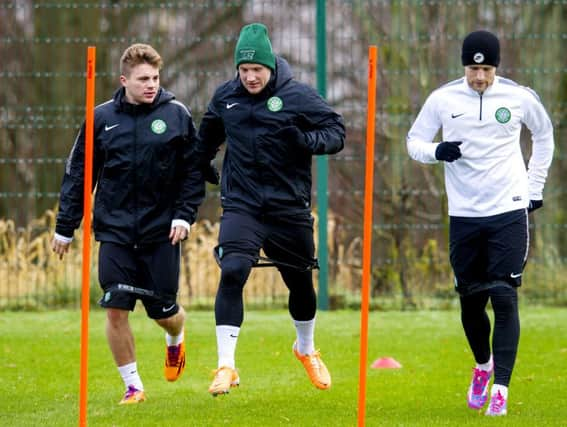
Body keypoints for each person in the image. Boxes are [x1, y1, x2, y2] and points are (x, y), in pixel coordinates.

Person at [407, 30, 554, 416]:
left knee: (504, 296)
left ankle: (501, 389)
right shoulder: (442, 99)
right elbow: (414, 142)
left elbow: (545, 135)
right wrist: (437, 151)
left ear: (496, 67)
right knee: (472, 302)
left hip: (509, 208)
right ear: (464, 67)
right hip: (464, 214)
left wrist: (534, 187)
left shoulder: (519, 97)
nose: (479, 78)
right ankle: (483, 365)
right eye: (473, 69)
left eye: (486, 69)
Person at [194, 23, 345, 396]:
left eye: (256, 70)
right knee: (232, 271)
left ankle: (305, 349)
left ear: (270, 67)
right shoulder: (225, 97)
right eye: (243, 71)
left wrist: (305, 140)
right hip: (242, 205)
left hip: (288, 207)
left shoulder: (297, 96)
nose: (249, 77)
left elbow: (336, 132)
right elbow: (207, 137)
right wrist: (202, 163)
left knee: (300, 284)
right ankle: (226, 366)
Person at [51, 43, 204, 404]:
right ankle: (133, 386)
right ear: (124, 81)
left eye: (155, 78)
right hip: (115, 231)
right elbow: (79, 175)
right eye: (143, 79)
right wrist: (65, 225)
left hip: (161, 231)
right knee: (116, 307)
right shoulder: (101, 119)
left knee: (164, 314)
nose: (151, 84)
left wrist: (184, 215)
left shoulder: (177, 114)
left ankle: (175, 338)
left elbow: (193, 173)